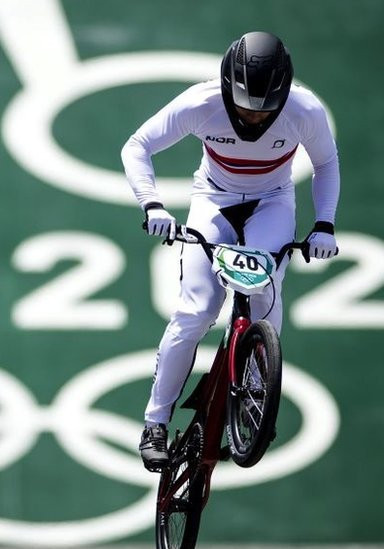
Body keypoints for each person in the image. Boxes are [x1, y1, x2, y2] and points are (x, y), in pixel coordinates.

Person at [121, 32, 340, 471]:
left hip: (273, 200)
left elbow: (326, 163)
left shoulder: (305, 110)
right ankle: (155, 422)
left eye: (264, 110)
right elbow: (137, 146)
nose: (253, 118)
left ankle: (254, 399)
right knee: (196, 310)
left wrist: (324, 224)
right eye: (243, 106)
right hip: (213, 200)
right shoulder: (200, 103)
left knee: (265, 293)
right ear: (225, 87)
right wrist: (153, 204)